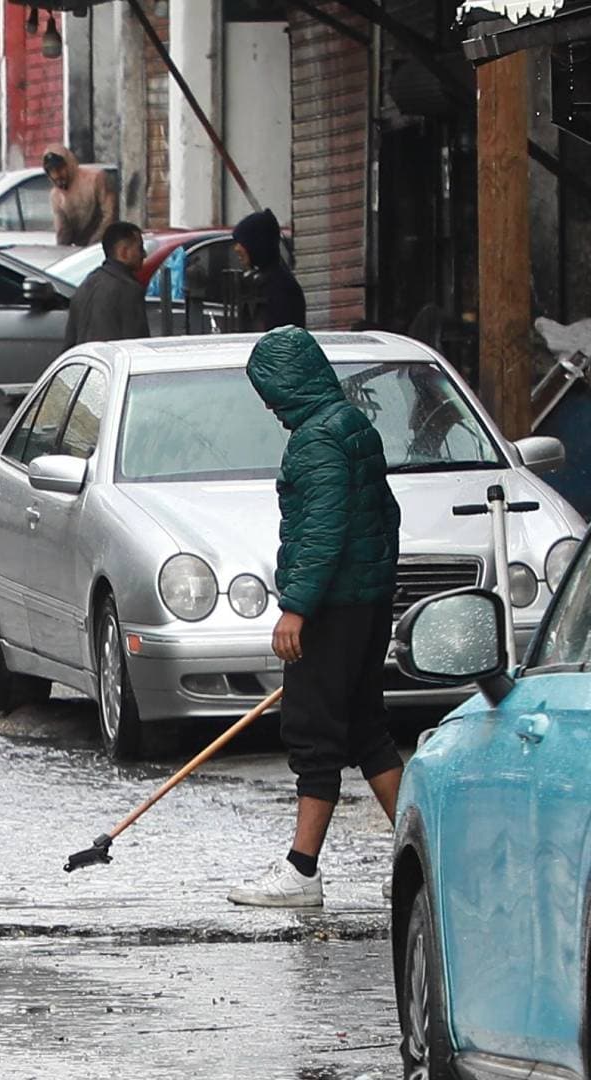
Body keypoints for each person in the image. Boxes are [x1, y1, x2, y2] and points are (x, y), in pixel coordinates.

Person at [228, 327, 401, 908]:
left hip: (333, 609)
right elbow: (386, 516)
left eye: (271, 394)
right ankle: (419, 858)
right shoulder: (353, 426)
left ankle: (301, 872)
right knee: (364, 729)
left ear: (290, 383)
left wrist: (296, 609)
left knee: (314, 734)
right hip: (365, 602)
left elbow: (322, 532)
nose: (271, 408)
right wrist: (376, 590)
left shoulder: (317, 439)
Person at [64, 221, 149, 346]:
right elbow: (137, 347)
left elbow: (69, 343)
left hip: (86, 363)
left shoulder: (86, 285)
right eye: (140, 248)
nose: (144, 254)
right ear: (123, 252)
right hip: (113, 363)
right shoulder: (128, 290)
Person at [232, 207, 306, 330]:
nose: (236, 248)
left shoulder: (282, 288)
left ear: (257, 244)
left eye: (242, 242)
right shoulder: (258, 281)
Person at [43, 146, 118, 247]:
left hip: (108, 244)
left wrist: (94, 243)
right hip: (82, 252)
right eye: (51, 171)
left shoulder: (94, 179)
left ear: (68, 165)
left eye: (60, 168)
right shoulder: (56, 197)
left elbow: (110, 214)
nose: (56, 175)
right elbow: (63, 232)